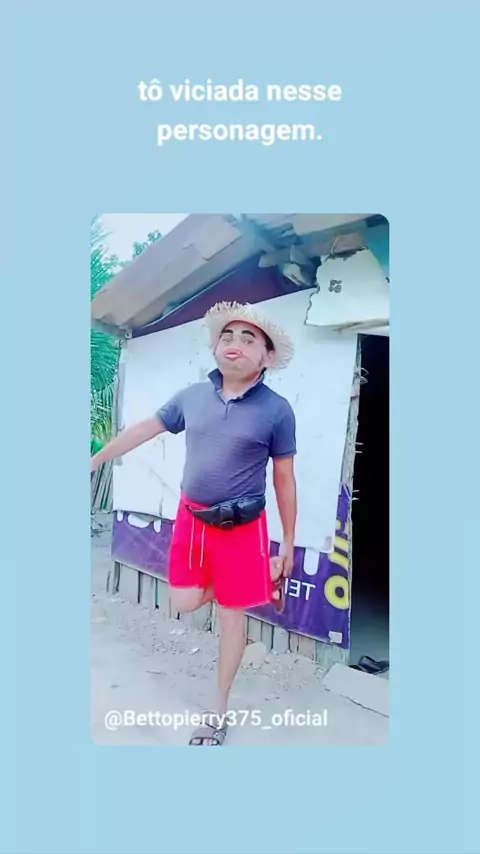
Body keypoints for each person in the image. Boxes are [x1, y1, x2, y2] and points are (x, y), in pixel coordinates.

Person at [91, 301, 297, 745]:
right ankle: (251, 581)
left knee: (232, 615)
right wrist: (93, 461)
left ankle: (217, 712)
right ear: (215, 347)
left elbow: (284, 478)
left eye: (248, 338)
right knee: (183, 600)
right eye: (227, 335)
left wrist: (288, 543)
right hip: (194, 520)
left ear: (267, 357)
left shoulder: (277, 411)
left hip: (243, 527)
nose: (234, 343)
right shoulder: (192, 397)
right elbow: (143, 429)